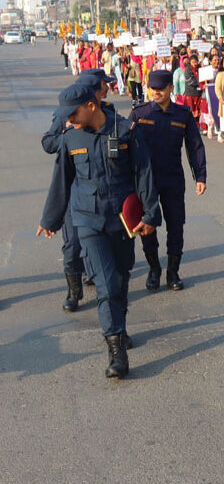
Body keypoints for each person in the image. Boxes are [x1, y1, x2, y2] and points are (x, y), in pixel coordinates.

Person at [38, 84, 161, 378]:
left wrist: (150, 214)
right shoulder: (71, 138)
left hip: (121, 220)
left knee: (120, 277)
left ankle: (120, 325)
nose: (68, 119)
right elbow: (62, 180)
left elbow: (143, 172)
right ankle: (116, 349)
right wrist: (50, 219)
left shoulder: (126, 130)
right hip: (87, 220)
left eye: (73, 113)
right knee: (105, 283)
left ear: (91, 105)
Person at [41, 69, 114, 312]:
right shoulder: (67, 115)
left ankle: (97, 274)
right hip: (76, 190)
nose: (107, 89)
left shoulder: (111, 116)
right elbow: (48, 143)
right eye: (104, 85)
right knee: (72, 244)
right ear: (93, 90)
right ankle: (74, 292)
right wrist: (71, 137)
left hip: (103, 191)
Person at [129, 69, 208, 292]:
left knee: (176, 227)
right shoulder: (139, 114)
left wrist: (199, 176)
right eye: (152, 89)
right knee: (148, 226)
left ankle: (173, 272)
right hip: (146, 183)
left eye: (161, 89)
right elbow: (127, 148)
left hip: (173, 179)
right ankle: (154, 269)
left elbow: (194, 147)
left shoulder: (182, 115)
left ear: (171, 88)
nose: (156, 92)